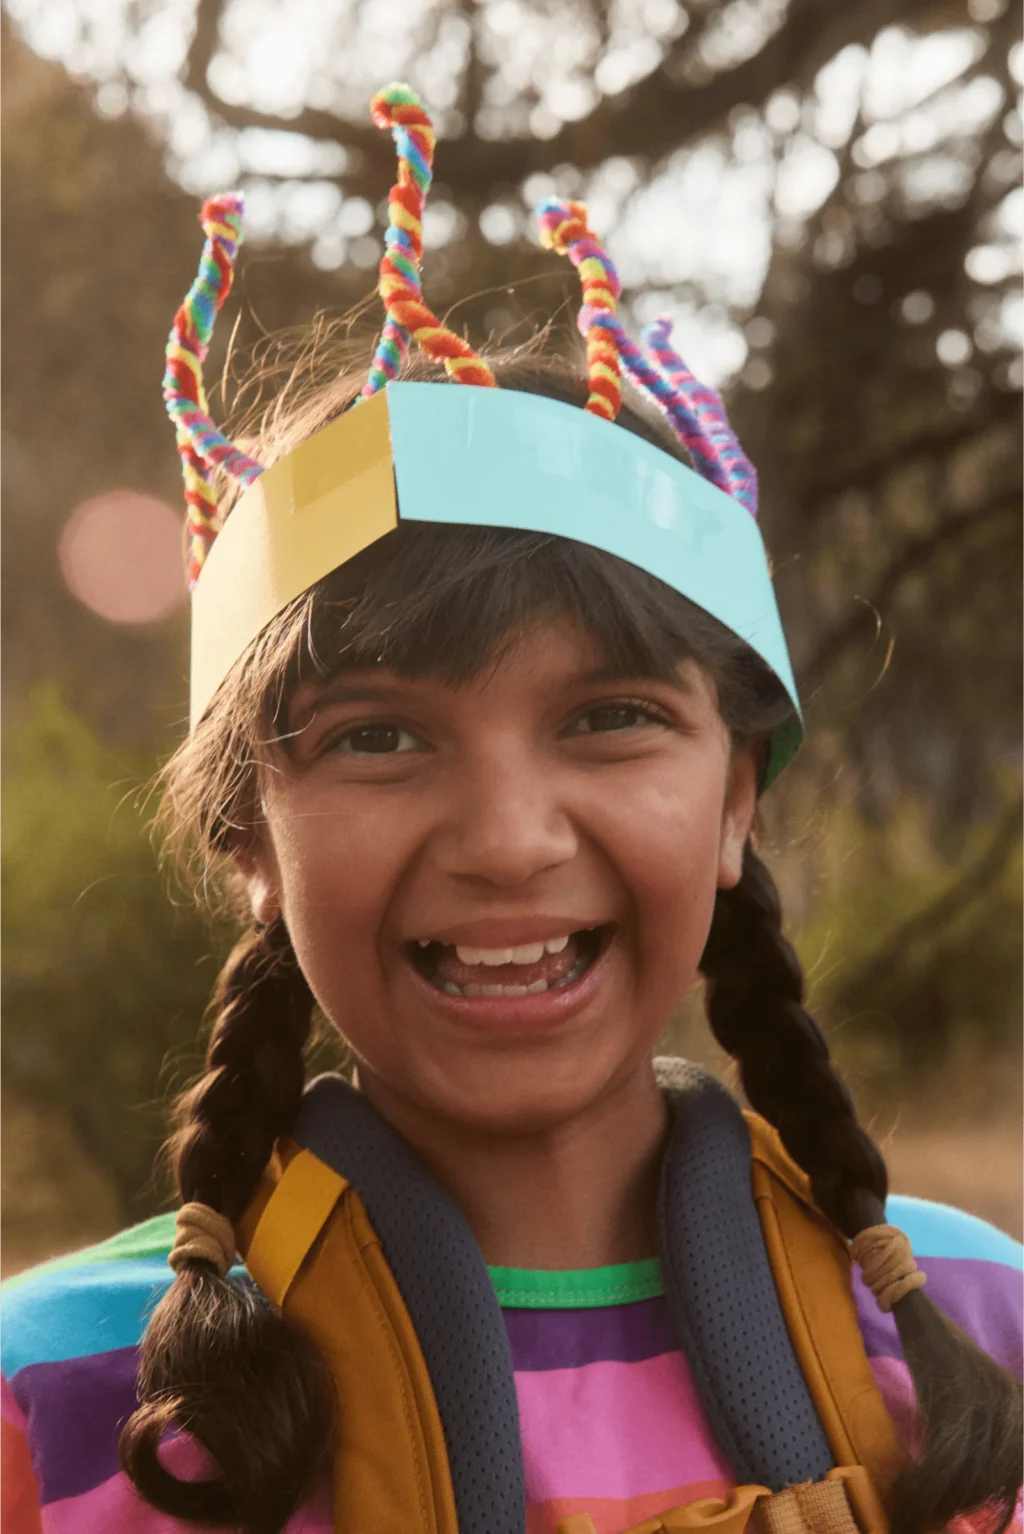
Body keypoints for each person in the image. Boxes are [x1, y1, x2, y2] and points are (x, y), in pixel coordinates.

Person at [1, 84, 1020, 1534]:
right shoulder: (61, 1404)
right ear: (249, 837)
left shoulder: (977, 1333)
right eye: (381, 736)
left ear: (735, 795)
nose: (507, 836)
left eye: (609, 720)